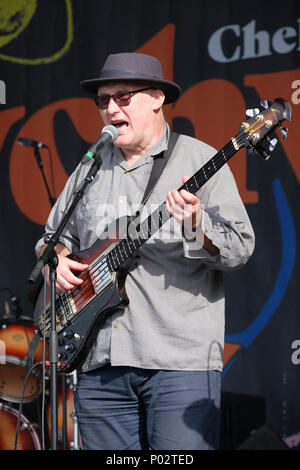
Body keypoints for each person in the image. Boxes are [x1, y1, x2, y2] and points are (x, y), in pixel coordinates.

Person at [35, 52, 255, 450]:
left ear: (157, 98)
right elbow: (52, 239)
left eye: (122, 97)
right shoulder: (91, 167)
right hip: (99, 360)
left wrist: (195, 226)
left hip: (177, 361)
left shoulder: (200, 159)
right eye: (103, 101)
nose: (110, 109)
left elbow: (239, 249)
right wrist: (58, 263)